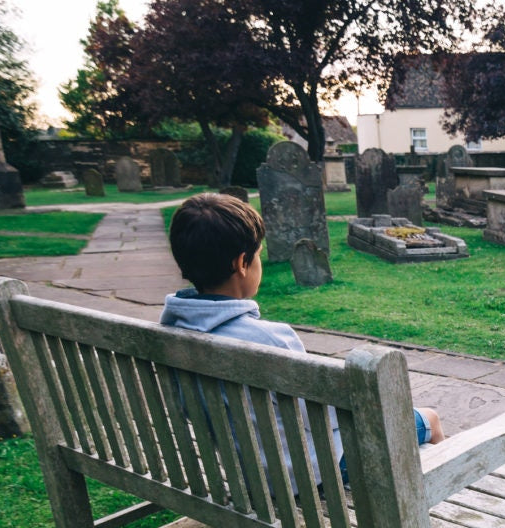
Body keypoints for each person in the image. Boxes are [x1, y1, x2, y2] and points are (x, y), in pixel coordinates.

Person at [160, 192, 443, 489]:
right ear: (242, 263)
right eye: (257, 255)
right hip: (312, 474)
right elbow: (325, 415)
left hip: (249, 473)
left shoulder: (170, 331)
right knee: (430, 418)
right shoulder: (269, 338)